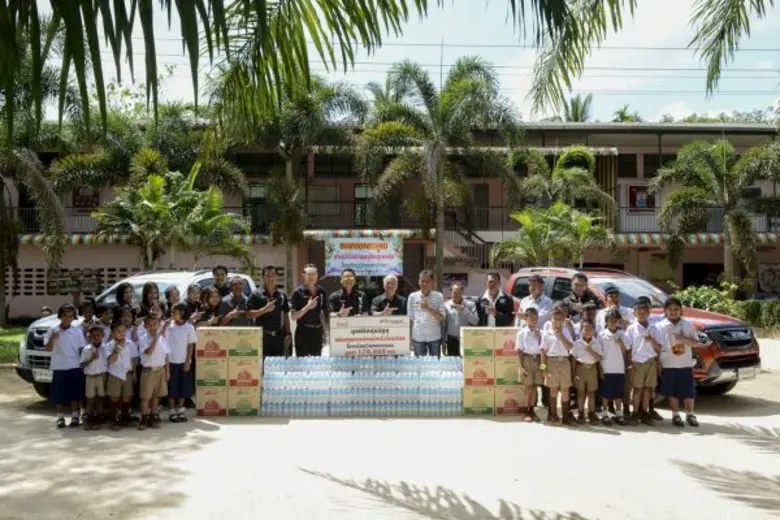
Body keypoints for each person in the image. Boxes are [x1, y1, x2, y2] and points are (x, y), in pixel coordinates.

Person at [657, 297, 700, 427]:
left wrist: (683, 338)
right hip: (668, 363)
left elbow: (696, 343)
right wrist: (658, 363)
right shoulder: (660, 326)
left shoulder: (687, 325)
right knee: (672, 391)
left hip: (684, 363)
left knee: (688, 391)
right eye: (670, 309)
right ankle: (675, 415)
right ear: (665, 311)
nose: (673, 312)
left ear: (681, 310)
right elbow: (657, 346)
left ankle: (690, 414)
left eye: (676, 309)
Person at [45, 304, 86, 428]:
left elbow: (81, 349)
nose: (68, 319)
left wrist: (83, 364)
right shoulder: (52, 330)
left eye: (70, 316)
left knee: (75, 393)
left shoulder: (77, 331)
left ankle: (75, 416)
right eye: (65, 316)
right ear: (60, 316)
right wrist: (53, 338)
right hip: (59, 365)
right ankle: (60, 417)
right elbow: (47, 348)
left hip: (74, 365)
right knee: (59, 394)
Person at [625, 296, 664, 425]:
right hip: (637, 363)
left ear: (648, 312)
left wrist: (650, 340)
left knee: (648, 389)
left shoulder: (654, 329)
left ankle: (644, 413)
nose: (642, 313)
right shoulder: (631, 329)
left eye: (644, 311)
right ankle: (634, 413)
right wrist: (630, 364)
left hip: (650, 362)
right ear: (634, 312)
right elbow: (628, 348)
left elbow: (660, 347)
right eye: (639, 311)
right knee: (637, 389)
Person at [247, 265, 292, 357]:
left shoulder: (281, 295)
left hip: (278, 337)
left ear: (275, 276)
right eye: (267, 275)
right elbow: (248, 314)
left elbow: (286, 314)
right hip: (263, 337)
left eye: (273, 275)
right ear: (263, 277)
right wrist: (264, 310)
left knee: (277, 366)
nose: (270, 278)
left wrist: (288, 333)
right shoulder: (256, 294)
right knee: (263, 367)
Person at [540, 306, 575, 425]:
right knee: (553, 390)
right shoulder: (547, 334)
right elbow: (543, 353)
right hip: (551, 362)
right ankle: (553, 415)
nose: (557, 321)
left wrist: (561, 336)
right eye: (555, 319)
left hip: (564, 362)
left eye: (560, 319)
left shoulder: (566, 332)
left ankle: (565, 417)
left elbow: (570, 348)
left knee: (565, 389)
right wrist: (543, 369)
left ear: (563, 320)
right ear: (551, 320)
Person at [165, 302, 197, 422]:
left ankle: (181, 410)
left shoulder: (189, 327)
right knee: (172, 388)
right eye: (172, 312)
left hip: (183, 362)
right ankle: (172, 411)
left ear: (182, 313)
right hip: (171, 362)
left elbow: (190, 345)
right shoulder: (169, 327)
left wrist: (188, 361)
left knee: (183, 387)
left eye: (175, 312)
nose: (172, 314)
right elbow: (165, 344)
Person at [137, 314, 170, 430]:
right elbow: (149, 351)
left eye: (155, 324)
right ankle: (144, 418)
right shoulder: (143, 339)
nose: (153, 327)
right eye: (150, 325)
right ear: (145, 326)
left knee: (156, 397)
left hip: (160, 371)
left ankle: (153, 416)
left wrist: (167, 371)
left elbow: (166, 356)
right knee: (146, 397)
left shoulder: (162, 339)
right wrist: (155, 338)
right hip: (148, 371)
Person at [598, 309, 630, 426]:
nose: (613, 323)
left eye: (616, 321)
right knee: (605, 393)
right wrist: (600, 368)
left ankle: (619, 413)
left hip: (619, 369)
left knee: (618, 393)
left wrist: (620, 342)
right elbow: (599, 353)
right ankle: (605, 413)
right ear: (606, 321)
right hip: (607, 368)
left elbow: (626, 349)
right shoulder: (602, 335)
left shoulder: (622, 334)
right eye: (611, 320)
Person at [105, 320, 137, 430]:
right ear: (113, 333)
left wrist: (134, 373)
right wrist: (118, 349)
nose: (122, 333)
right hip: (115, 374)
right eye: (118, 331)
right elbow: (111, 360)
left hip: (127, 373)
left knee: (127, 396)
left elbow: (133, 359)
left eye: (124, 331)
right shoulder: (109, 345)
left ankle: (125, 418)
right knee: (114, 397)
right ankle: (115, 420)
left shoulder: (130, 343)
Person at [290, 264, 328, 357]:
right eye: (309, 274)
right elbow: (293, 316)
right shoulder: (297, 293)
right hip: (303, 333)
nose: (311, 277)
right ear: (303, 275)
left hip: (317, 333)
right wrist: (307, 307)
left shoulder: (321, 291)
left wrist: (324, 332)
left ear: (317, 275)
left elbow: (322, 313)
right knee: (302, 366)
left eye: (314, 274)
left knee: (316, 365)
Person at [570, 319, 602, 425]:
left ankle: (591, 413)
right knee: (580, 393)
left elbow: (599, 358)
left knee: (591, 393)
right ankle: (580, 413)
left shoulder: (596, 343)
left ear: (594, 331)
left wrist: (591, 351)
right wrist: (574, 373)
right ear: (581, 330)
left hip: (592, 369)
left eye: (590, 329)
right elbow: (573, 359)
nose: (588, 331)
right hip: (580, 369)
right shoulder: (577, 343)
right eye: (585, 329)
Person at [407, 270, 446, 357]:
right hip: (418, 337)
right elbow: (410, 319)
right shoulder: (412, 297)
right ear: (418, 282)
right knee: (420, 367)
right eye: (422, 281)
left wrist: (428, 308)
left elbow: (442, 318)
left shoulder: (439, 296)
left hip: (434, 337)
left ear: (432, 282)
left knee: (435, 367)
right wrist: (409, 338)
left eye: (427, 281)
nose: (424, 284)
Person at [516, 307, 544, 422]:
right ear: (526, 319)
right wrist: (521, 366)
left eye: (535, 319)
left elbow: (544, 351)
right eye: (531, 318)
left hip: (538, 360)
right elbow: (519, 351)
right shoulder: (522, 333)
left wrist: (544, 368)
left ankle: (532, 409)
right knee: (528, 386)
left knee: (536, 386)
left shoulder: (541, 332)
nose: (533, 321)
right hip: (527, 360)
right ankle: (525, 410)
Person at [80, 323, 108, 430]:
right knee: (90, 398)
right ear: (89, 336)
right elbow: (82, 365)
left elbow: (109, 363)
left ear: (102, 335)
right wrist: (91, 358)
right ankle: (89, 417)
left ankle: (99, 417)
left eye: (98, 335)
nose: (96, 337)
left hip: (101, 376)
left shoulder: (106, 348)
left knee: (100, 397)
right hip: (90, 376)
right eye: (93, 335)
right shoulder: (86, 349)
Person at [443, 283, 478, 356]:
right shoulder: (445, 306)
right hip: (452, 340)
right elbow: (444, 325)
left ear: (463, 293)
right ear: (451, 293)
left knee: (467, 364)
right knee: (453, 365)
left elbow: (476, 321)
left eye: (459, 292)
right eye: (455, 292)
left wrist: (464, 311)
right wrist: (443, 342)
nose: (457, 295)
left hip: (467, 339)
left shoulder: (470, 305)